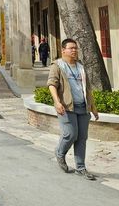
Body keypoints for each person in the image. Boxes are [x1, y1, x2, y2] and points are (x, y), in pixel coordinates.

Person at [47, 38, 99, 181]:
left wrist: (93, 107)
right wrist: (57, 102)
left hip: (83, 107)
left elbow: (87, 88)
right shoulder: (57, 65)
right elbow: (52, 84)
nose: (74, 50)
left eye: (76, 48)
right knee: (70, 134)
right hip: (66, 106)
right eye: (71, 48)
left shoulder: (81, 66)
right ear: (63, 50)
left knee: (82, 138)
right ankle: (59, 152)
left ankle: (80, 168)